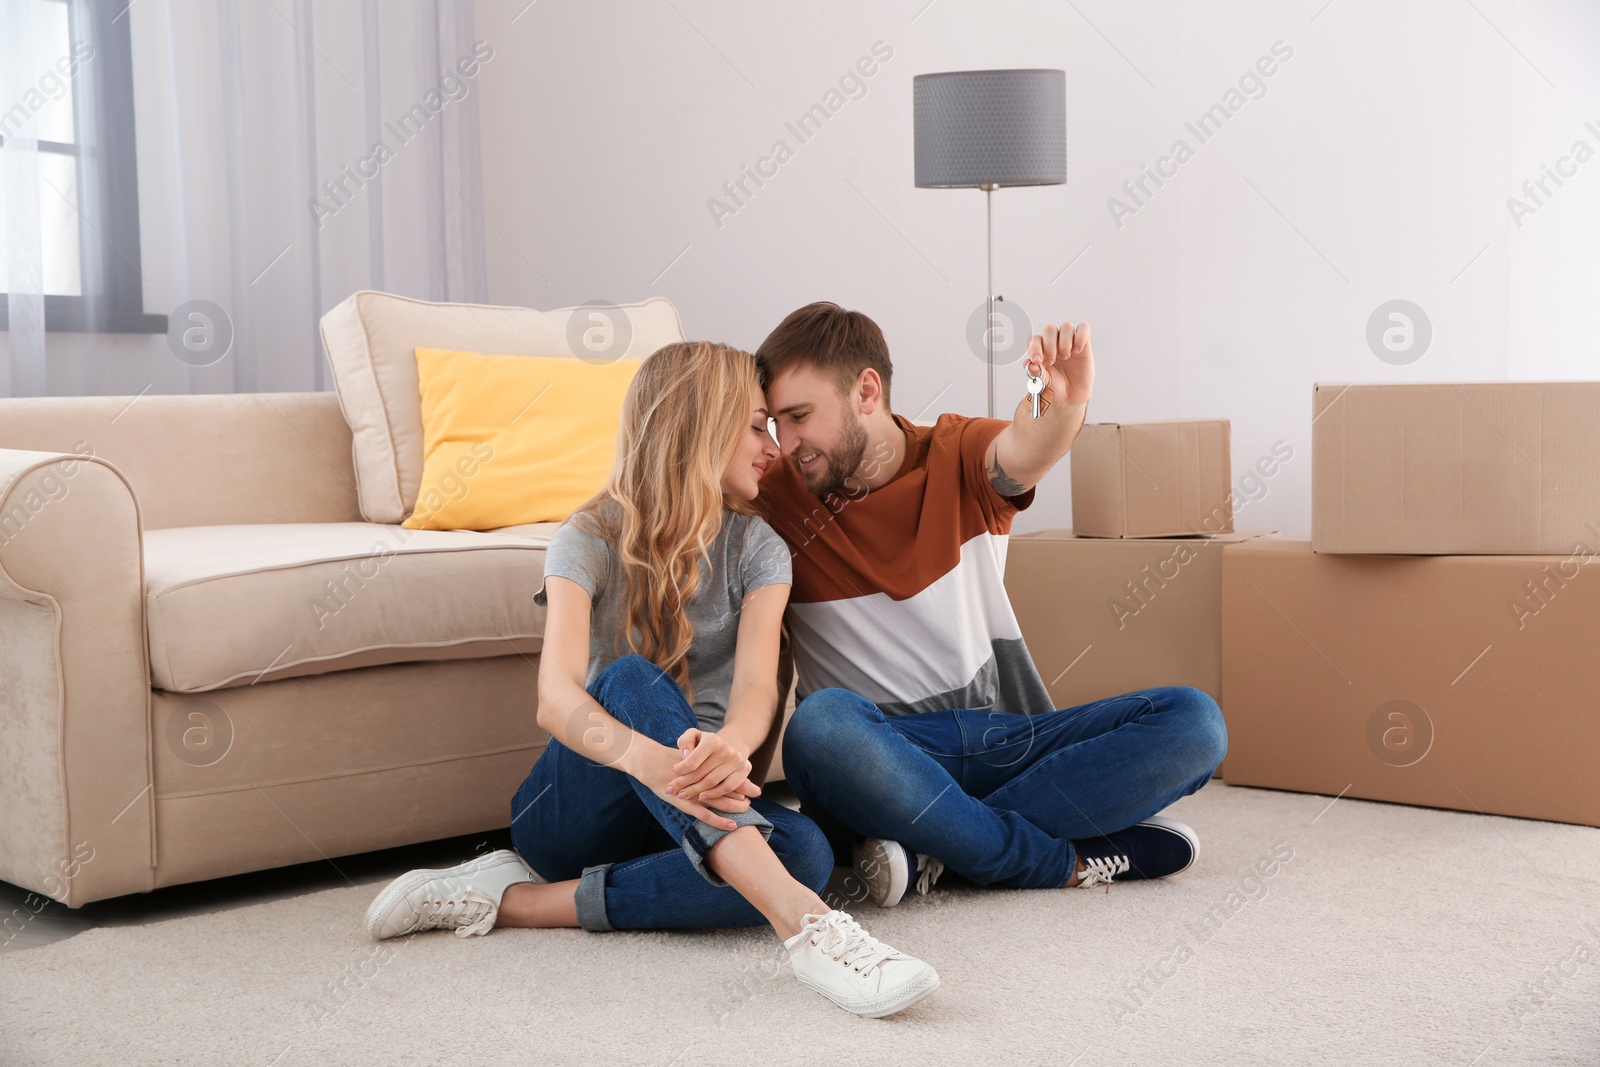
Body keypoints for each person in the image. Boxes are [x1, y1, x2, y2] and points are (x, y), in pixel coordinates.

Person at [362, 340, 939, 1019]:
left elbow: (758, 686)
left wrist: (730, 746)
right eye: (756, 425)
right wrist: (656, 762)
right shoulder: (585, 537)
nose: (774, 448)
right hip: (577, 813)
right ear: (698, 427)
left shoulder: (758, 548)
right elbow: (556, 697)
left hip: (693, 812)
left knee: (807, 849)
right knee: (634, 678)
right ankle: (810, 929)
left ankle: (515, 900)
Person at [752, 303, 1228, 907]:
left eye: (799, 417)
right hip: (876, 761)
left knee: (1194, 721)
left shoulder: (957, 453)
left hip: (1002, 739)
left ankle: (939, 850)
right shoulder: (777, 496)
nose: (786, 444)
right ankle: (1051, 859)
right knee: (819, 727)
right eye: (775, 425)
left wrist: (1063, 402)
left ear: (866, 390)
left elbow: (1025, 447)